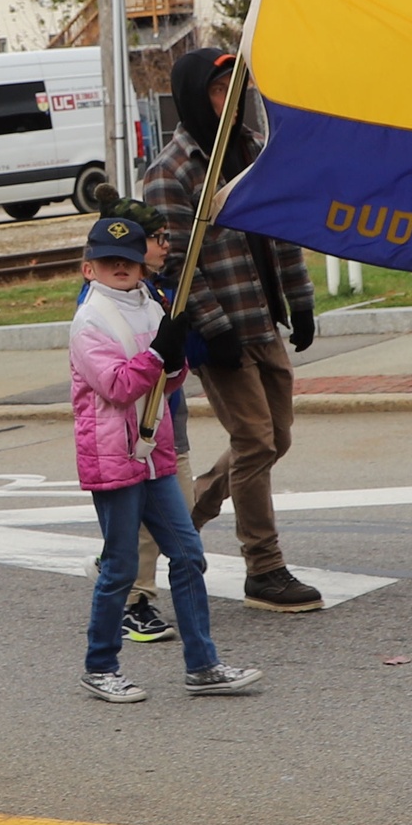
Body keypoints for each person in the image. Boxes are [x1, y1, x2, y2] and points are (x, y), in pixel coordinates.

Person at [140, 46, 323, 614]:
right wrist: (213, 327)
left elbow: (282, 230)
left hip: (263, 320)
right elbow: (174, 265)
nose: (231, 103)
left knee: (275, 440)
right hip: (219, 331)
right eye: (219, 92)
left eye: (235, 91)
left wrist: (301, 302)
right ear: (196, 98)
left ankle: (177, 525)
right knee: (254, 442)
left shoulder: (253, 151)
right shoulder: (171, 171)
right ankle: (263, 569)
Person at [69, 213, 259, 703]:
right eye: (108, 261)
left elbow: (167, 381)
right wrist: (160, 356)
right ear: (89, 268)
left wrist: (175, 359)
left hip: (153, 453)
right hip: (113, 456)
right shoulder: (89, 321)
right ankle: (100, 666)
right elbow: (116, 387)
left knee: (188, 554)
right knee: (120, 565)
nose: (120, 268)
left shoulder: (152, 306)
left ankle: (203, 665)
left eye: (129, 260)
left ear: (143, 266)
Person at [117, 201, 189, 646]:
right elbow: (118, 380)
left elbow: (173, 369)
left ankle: (118, 571)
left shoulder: (155, 294)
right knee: (151, 525)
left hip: (168, 423)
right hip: (136, 433)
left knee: (184, 512)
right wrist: (162, 352)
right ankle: (133, 601)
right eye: (157, 238)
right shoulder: (106, 306)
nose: (166, 245)